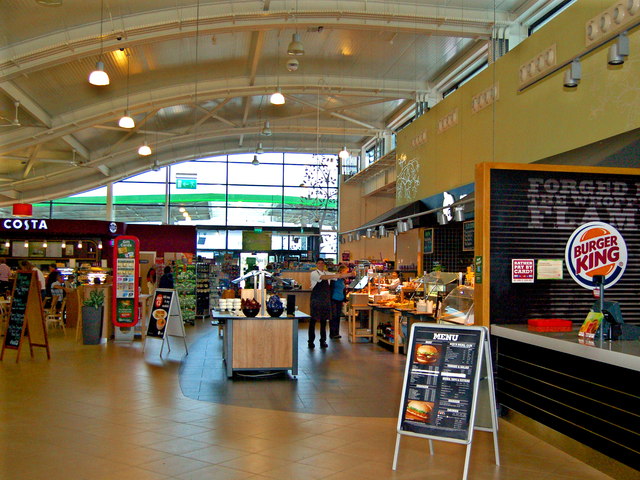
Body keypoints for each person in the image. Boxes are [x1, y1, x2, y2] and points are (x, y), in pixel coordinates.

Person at [308, 259, 351, 349]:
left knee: (324, 321)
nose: (320, 264)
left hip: (325, 300)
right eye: (319, 263)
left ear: (324, 264)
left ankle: (323, 340)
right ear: (316, 264)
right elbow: (323, 278)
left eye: (322, 263)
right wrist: (333, 275)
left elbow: (338, 276)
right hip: (316, 299)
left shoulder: (327, 273)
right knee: (313, 321)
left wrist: (350, 274)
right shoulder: (314, 273)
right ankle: (311, 341)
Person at [329, 265, 349, 339]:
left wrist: (344, 299)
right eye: (346, 271)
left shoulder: (342, 280)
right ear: (341, 271)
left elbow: (343, 290)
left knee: (338, 316)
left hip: (340, 299)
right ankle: (332, 333)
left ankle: (336, 332)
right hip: (334, 299)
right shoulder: (335, 278)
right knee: (333, 316)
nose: (347, 273)